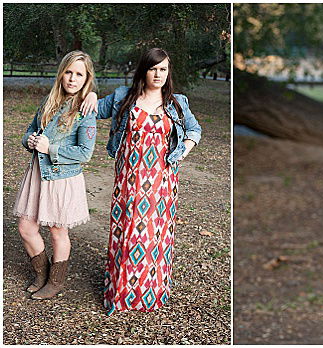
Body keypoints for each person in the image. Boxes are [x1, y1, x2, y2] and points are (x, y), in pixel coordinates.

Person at [91, 48, 202, 314]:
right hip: (129, 180)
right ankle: (121, 294)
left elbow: (194, 129)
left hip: (162, 182)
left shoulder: (177, 103)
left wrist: (182, 151)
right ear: (144, 70)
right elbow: (93, 110)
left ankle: (150, 294)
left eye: (163, 69)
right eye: (154, 68)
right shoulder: (123, 97)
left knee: (156, 236)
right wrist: (91, 94)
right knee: (127, 234)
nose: (158, 74)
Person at [14, 50, 98, 300]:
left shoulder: (86, 109)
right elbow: (29, 130)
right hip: (38, 174)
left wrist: (49, 148)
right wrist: (28, 140)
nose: (73, 78)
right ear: (61, 74)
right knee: (26, 227)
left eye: (79, 74)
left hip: (62, 178)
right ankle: (42, 274)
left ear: (86, 78)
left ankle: (55, 281)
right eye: (69, 72)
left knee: (57, 232)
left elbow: (85, 153)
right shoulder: (49, 101)